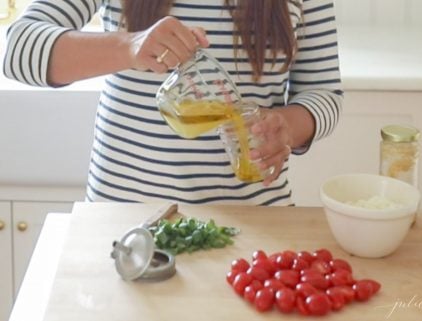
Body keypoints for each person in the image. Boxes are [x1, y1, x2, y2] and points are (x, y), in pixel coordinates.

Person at [3, 0, 343, 205]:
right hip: (126, 224)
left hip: (254, 223)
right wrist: (130, 47)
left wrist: (287, 128)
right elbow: (17, 50)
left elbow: (325, 92)